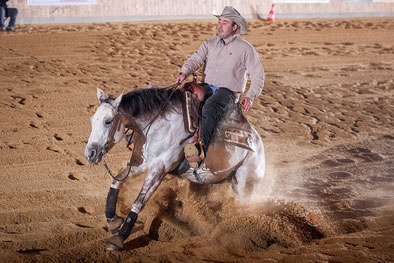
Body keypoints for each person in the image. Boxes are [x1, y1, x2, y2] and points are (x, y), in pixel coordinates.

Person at [176, 6, 265, 168]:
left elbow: (258, 75)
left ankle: (200, 151)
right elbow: (195, 60)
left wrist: (250, 96)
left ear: (234, 27)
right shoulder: (209, 44)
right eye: (219, 21)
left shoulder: (245, 49)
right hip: (207, 87)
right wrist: (184, 72)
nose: (220, 25)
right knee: (180, 100)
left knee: (209, 107)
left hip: (228, 93)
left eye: (225, 22)